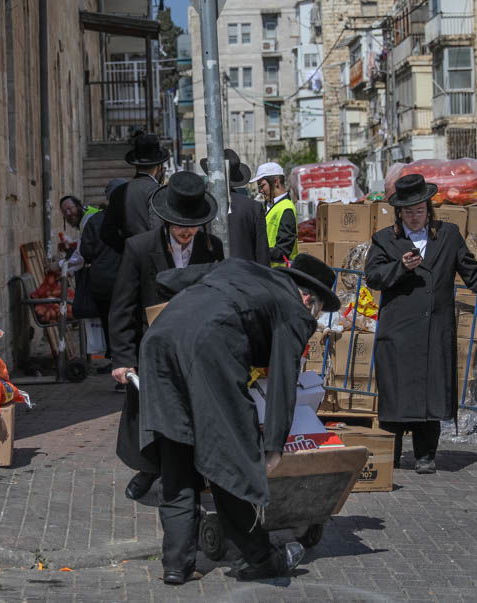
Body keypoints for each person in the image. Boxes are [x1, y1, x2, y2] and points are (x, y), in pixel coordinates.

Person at [133, 254, 340, 584]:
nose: (313, 317)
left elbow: (168, 279)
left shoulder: (239, 267)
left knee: (177, 455)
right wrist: (274, 446)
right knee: (228, 459)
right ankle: (259, 558)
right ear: (307, 298)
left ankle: (176, 565)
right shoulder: (294, 308)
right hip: (209, 351)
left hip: (160, 341)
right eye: (316, 310)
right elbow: (285, 380)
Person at [365, 174, 477, 474]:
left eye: (420, 210)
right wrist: (400, 267)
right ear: (399, 212)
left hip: (434, 329)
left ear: (429, 209)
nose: (415, 217)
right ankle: (391, 452)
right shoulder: (384, 239)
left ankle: (426, 454)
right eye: (408, 212)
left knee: (431, 391)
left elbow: (473, 273)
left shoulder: (449, 235)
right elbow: (373, 277)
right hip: (399, 330)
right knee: (397, 391)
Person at [109, 171, 224, 501]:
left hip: (195, 350)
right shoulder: (139, 248)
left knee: (193, 413)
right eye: (180, 224)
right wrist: (122, 359)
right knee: (150, 416)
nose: (186, 232)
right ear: (166, 219)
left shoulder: (212, 247)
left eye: (192, 225)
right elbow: (122, 307)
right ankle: (148, 469)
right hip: (153, 348)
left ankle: (194, 474)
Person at [77, 179, 128, 373]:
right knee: (127, 321)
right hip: (126, 279)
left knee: (108, 321)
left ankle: (116, 360)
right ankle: (126, 362)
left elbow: (86, 251)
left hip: (102, 280)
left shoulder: (95, 220)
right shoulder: (131, 218)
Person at [100, 134, 169, 253]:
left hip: (129, 260)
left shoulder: (119, 192)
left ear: (136, 165)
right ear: (159, 167)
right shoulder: (157, 191)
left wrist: (127, 248)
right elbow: (157, 230)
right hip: (154, 260)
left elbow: (106, 233)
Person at [199, 149, 268, 265]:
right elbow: (262, 254)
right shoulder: (253, 207)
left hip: (210, 276)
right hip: (246, 276)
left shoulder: (201, 206)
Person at [250, 162, 298, 267]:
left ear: (276, 182)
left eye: (262, 186)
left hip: (281, 273)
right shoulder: (270, 206)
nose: (260, 191)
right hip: (271, 271)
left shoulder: (286, 208)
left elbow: (284, 251)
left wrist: (257, 251)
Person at [58, 195, 99, 274]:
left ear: (78, 206)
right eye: (64, 212)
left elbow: (81, 256)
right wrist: (73, 243)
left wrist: (60, 265)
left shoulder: (88, 220)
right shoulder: (88, 215)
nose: (68, 213)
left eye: (70, 208)